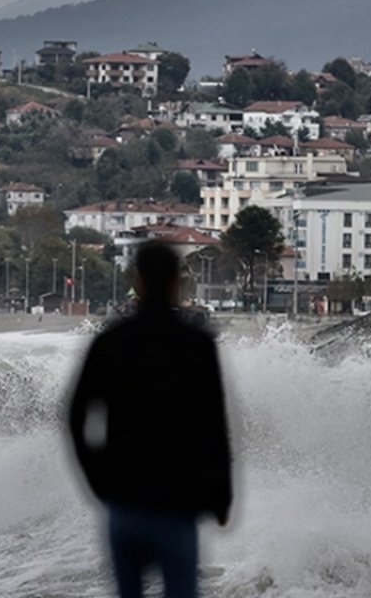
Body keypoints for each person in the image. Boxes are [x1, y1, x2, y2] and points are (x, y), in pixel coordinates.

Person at [68, 241, 232, 598]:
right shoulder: (197, 346)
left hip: (125, 501)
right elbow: (213, 427)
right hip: (177, 502)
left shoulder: (110, 343)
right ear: (177, 281)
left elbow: (75, 416)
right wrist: (221, 496)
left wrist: (99, 480)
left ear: (137, 280)